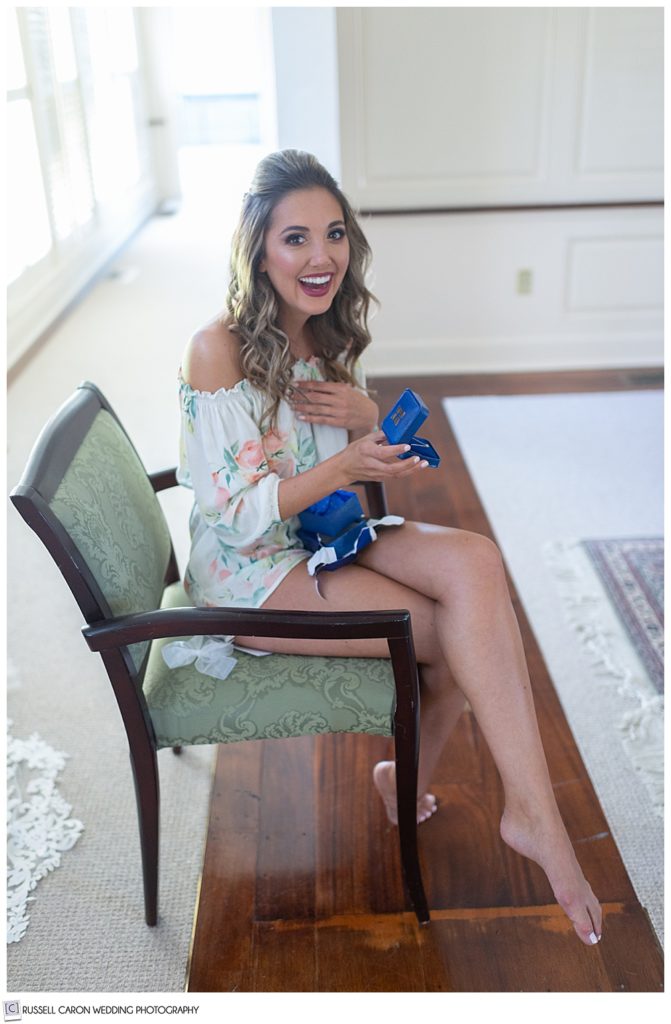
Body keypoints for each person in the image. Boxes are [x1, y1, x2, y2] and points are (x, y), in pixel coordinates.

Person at [177, 149, 602, 947]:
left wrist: (365, 417)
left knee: (475, 561)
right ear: (257, 251)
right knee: (458, 638)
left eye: (333, 234)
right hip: (251, 570)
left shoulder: (329, 335)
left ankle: (503, 803)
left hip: (326, 534)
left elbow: (360, 474)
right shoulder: (216, 351)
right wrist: (344, 457)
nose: (321, 256)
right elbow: (233, 516)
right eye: (295, 238)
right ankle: (526, 816)